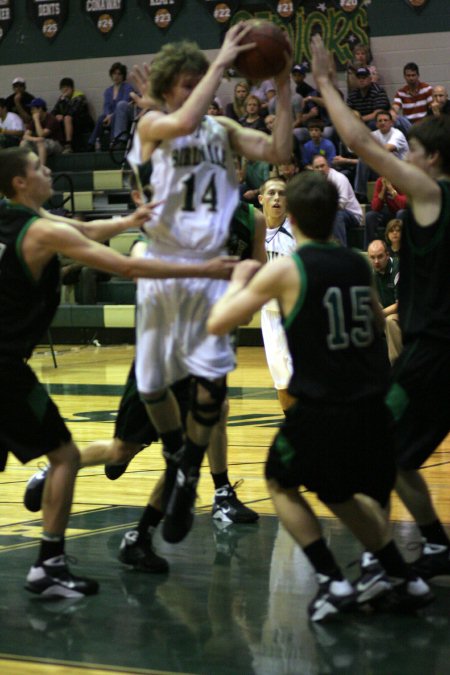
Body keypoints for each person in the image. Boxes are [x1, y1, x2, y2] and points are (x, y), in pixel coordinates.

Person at [0, 146, 236, 597]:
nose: (49, 172)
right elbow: (125, 264)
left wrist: (128, 222)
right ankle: (48, 564)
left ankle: (106, 544)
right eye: (39, 168)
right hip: (7, 367)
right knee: (66, 456)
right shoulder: (42, 230)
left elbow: (86, 228)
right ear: (19, 182)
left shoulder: (16, 217)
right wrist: (206, 267)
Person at [208, 171, 432, 622]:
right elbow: (371, 323)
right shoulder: (356, 264)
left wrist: (237, 277)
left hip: (323, 405)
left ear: (290, 213)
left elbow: (218, 322)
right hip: (370, 399)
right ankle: (401, 574)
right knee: (338, 489)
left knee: (280, 481)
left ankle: (332, 580)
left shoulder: (286, 269)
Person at [130, 23, 292, 546]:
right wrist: (221, 60)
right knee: (154, 387)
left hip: (208, 275)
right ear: (165, 89)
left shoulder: (219, 129)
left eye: (204, 78)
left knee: (212, 393)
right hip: (164, 267)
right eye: (190, 80)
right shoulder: (154, 123)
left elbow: (280, 147)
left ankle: (188, 472)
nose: (203, 84)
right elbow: (180, 120)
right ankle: (182, 462)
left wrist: (284, 83)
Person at [311, 35, 450, 580]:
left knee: (373, 450)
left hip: (432, 350)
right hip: (434, 350)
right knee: (397, 456)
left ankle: (381, 564)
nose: (402, 158)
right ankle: (436, 544)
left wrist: (325, 83)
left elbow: (362, 143)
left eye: (411, 151)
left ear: (431, 158)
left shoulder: (433, 193)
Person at [258, 178, 295, 413]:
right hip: (268, 314)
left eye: (282, 194)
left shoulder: (297, 231)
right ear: (261, 199)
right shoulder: (253, 232)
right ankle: (293, 427)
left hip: (295, 314)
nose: (277, 198)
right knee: (281, 380)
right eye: (271, 193)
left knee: (298, 378)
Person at [311, 155, 363, 246]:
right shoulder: (314, 183)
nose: (320, 169)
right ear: (313, 170)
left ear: (328, 166)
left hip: (352, 215)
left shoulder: (339, 178)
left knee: (336, 215)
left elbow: (341, 205)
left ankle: (341, 251)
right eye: (317, 167)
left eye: (322, 166)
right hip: (329, 214)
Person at [367, 239, 402, 364]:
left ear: (387, 255)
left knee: (390, 321)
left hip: (407, 313)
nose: (376, 261)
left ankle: (397, 368)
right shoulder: (370, 273)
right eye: (372, 257)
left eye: (380, 256)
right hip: (385, 310)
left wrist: (379, 314)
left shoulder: (398, 268)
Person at [88, 62, 134, 150]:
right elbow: (106, 106)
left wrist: (111, 116)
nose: (116, 76)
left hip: (122, 116)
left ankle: (114, 142)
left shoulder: (128, 87)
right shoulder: (108, 91)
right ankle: (91, 143)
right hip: (109, 116)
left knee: (114, 116)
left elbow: (124, 103)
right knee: (101, 118)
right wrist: (108, 115)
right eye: (114, 73)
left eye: (119, 74)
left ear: (123, 76)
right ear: (111, 75)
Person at [51, 78, 94, 153]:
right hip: (70, 121)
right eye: (63, 89)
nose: (64, 91)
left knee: (67, 118)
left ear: (72, 88)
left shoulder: (79, 97)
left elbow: (73, 111)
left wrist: (62, 115)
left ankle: (68, 145)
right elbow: (54, 111)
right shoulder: (62, 99)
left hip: (82, 121)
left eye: (67, 89)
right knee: (56, 120)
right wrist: (57, 115)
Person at [364, 177, 407, 247]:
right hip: (391, 213)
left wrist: (391, 189)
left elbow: (404, 205)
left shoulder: (404, 181)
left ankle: (403, 247)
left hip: (407, 213)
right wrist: (383, 190)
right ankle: (369, 248)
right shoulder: (381, 181)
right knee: (370, 216)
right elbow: (375, 207)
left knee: (401, 213)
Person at [20, 98, 63, 166]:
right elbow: (25, 136)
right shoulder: (34, 120)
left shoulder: (51, 119)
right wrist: (35, 139)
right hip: (41, 142)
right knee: (24, 143)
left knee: (40, 143)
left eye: (33, 109)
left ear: (40, 109)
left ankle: (42, 168)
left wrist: (36, 120)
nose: (31, 111)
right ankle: (29, 167)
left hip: (56, 144)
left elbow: (41, 134)